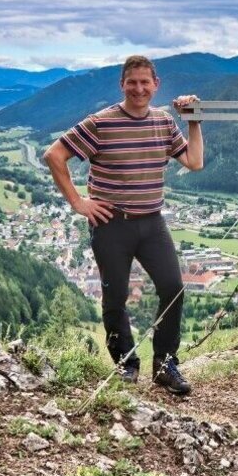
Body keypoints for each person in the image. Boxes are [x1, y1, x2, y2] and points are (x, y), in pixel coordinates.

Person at [43, 55, 204, 395]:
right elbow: (54, 155)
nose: (139, 88)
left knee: (173, 288)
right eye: (132, 82)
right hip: (111, 224)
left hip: (152, 222)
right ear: (122, 84)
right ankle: (126, 364)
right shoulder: (101, 123)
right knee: (115, 297)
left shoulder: (162, 121)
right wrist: (78, 202)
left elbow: (195, 161)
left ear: (156, 85)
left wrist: (193, 121)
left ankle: (164, 364)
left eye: (145, 82)